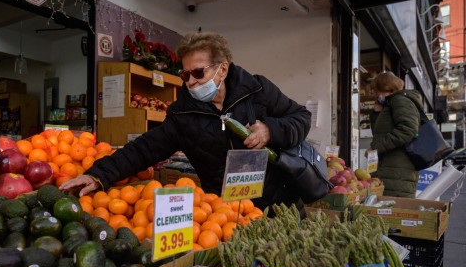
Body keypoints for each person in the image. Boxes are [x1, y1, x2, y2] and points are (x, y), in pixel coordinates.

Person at [60, 32, 311, 215]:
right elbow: (143, 149)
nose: (190, 81)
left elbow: (300, 118)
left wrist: (270, 130)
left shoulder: (257, 89)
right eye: (185, 74)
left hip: (283, 203)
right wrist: (97, 175)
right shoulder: (182, 115)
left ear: (222, 69)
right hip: (227, 215)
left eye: (198, 72)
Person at [367, 71, 421, 198]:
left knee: (392, 210)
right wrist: (376, 112)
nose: (375, 94)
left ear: (385, 88)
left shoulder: (401, 101)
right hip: (390, 168)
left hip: (398, 171)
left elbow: (408, 130)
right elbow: (379, 132)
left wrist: (376, 147)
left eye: (376, 90)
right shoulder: (390, 104)